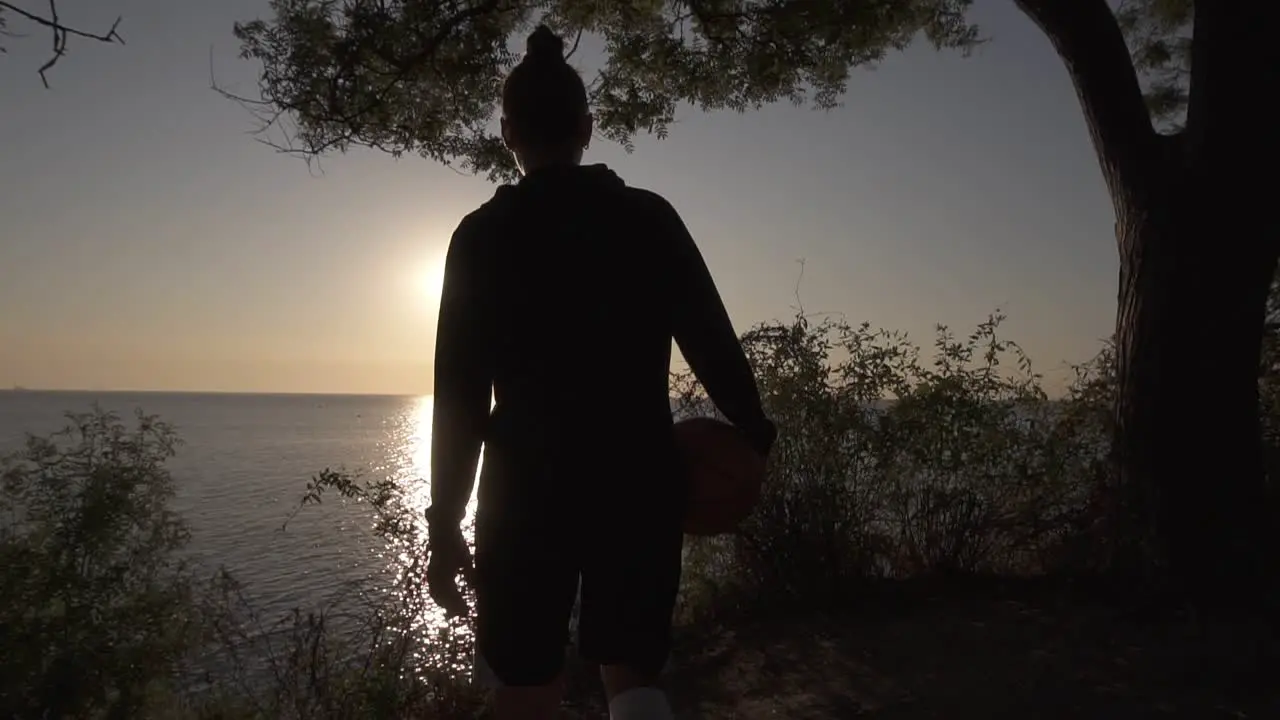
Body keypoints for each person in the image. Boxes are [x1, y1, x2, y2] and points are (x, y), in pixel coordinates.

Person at [425, 24, 777, 720]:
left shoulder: (481, 237)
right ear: (588, 127)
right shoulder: (647, 219)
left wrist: (445, 523)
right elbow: (711, 342)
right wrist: (751, 434)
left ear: (507, 133)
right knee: (635, 675)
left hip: (522, 488)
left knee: (523, 684)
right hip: (638, 476)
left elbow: (458, 396)